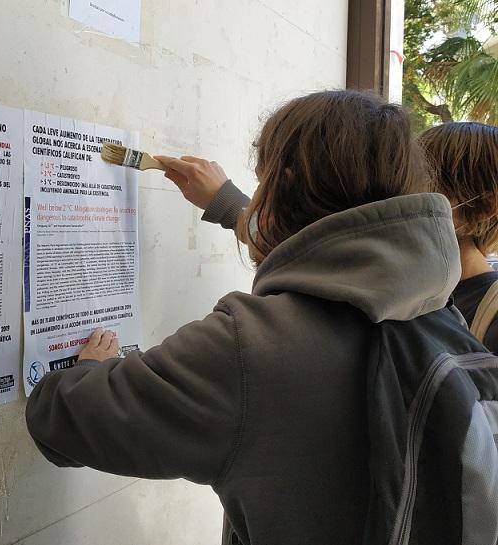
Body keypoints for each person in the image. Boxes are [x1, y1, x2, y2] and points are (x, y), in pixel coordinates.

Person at [25, 90, 461, 544]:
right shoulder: (439, 311)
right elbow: (340, 260)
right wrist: (233, 207)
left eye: (265, 178)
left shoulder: (250, 346)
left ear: (284, 183)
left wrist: (89, 372)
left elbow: (62, 420)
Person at [419, 122, 498, 353]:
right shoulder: (406, 294)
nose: (409, 198)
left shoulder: (491, 312)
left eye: (429, 183)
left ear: (486, 206)